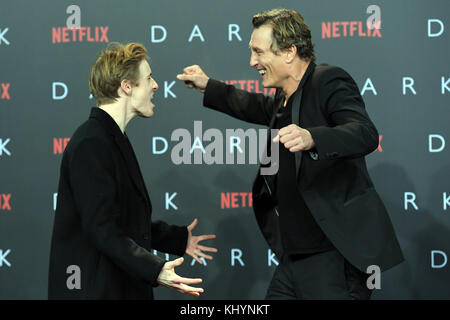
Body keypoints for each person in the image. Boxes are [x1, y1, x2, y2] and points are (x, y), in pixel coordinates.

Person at [177, 8, 404, 299]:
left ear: (288, 52)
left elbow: (365, 133)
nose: (252, 62)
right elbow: (254, 106)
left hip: (333, 256)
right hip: (294, 258)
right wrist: (209, 86)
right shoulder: (283, 97)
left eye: (259, 52)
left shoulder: (328, 81)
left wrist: (313, 137)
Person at [48, 42, 217, 300]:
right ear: (127, 86)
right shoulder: (92, 143)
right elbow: (102, 228)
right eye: (148, 78)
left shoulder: (110, 137)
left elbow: (124, 220)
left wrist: (177, 239)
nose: (155, 85)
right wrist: (155, 269)